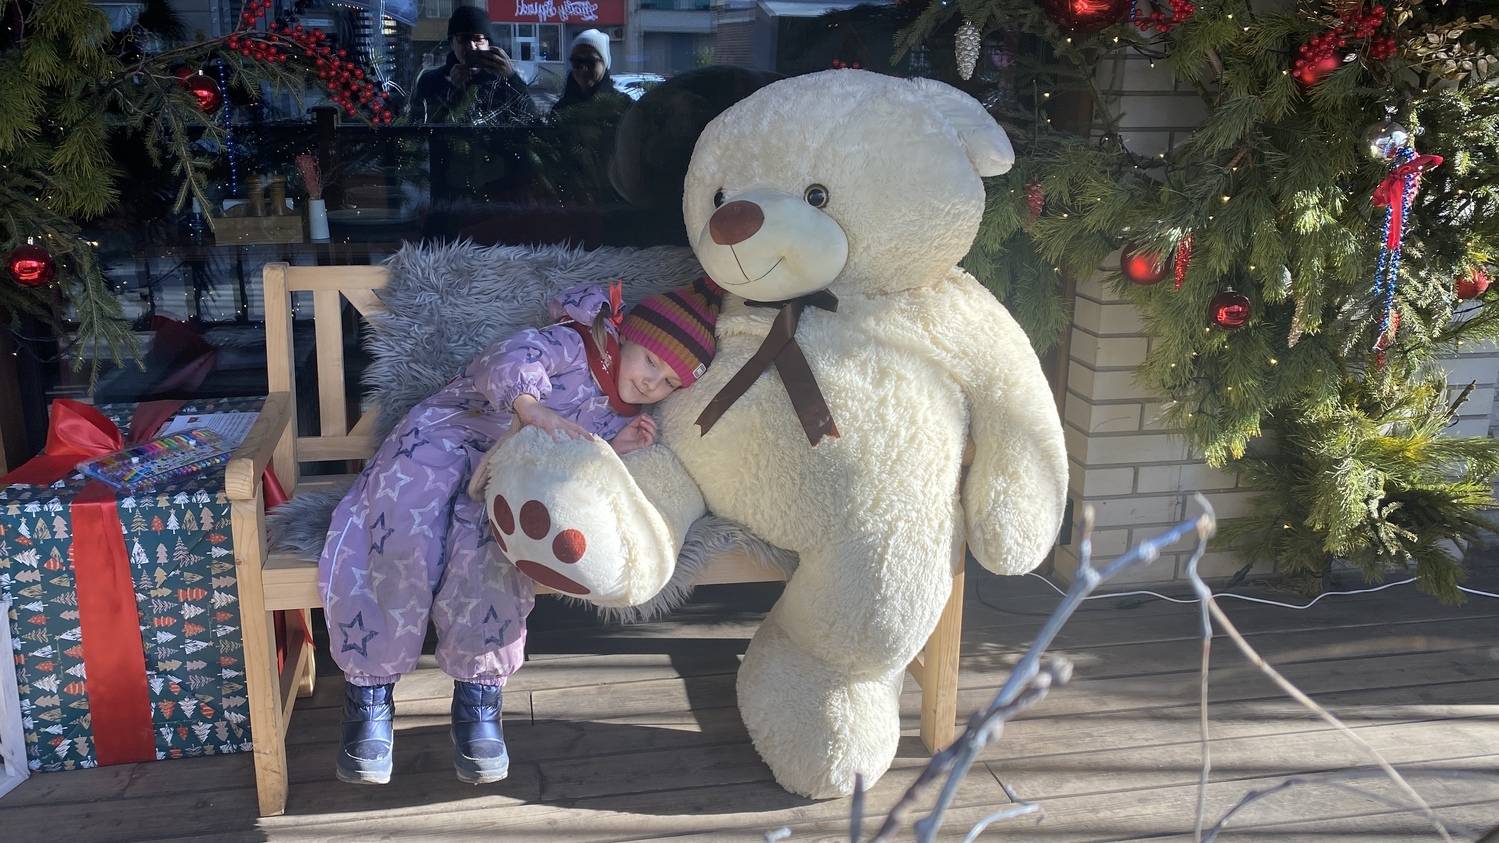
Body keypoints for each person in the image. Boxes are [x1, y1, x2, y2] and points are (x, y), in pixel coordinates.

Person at [319, 280, 721, 786]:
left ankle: (478, 697)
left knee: (495, 554)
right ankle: (370, 693)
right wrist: (528, 405)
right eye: (650, 362)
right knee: (400, 528)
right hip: (444, 437)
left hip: (504, 480)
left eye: (668, 383)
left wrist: (612, 448)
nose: (650, 383)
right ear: (627, 340)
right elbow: (507, 358)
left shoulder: (624, 414)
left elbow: (568, 464)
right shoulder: (576, 344)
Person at [410, 6, 538, 125]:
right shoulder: (430, 81)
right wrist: (454, 91)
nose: (471, 46)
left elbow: (532, 119)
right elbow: (421, 125)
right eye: (464, 39)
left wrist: (512, 78)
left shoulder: (501, 81)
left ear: (488, 44)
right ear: (452, 43)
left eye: (478, 39)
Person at [551, 29, 629, 118]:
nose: (583, 68)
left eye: (590, 61)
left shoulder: (623, 107)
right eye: (577, 61)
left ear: (604, 64)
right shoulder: (560, 110)